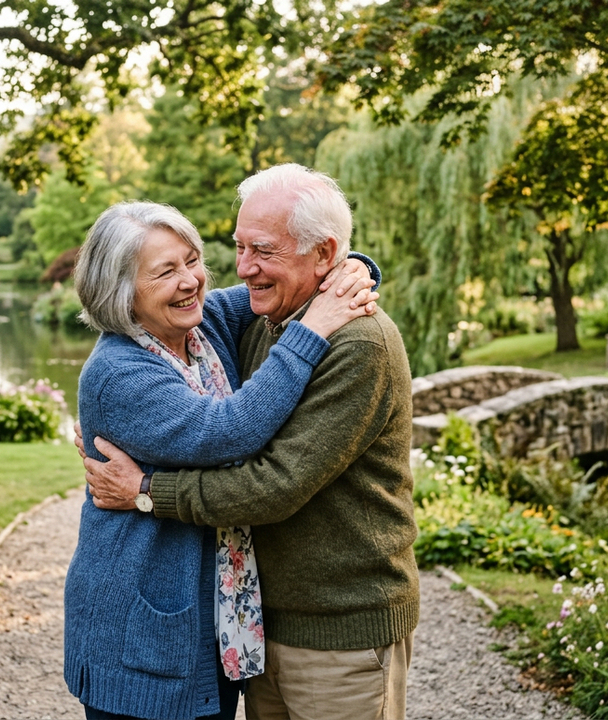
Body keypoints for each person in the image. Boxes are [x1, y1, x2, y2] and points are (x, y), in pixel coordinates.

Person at [82, 165, 421, 720]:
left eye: (192, 261)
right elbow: (229, 428)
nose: (238, 271)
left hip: (338, 627)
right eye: (237, 248)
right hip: (213, 633)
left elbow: (273, 485)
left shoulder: (348, 342)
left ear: (322, 254)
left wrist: (354, 266)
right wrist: (322, 291)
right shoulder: (137, 366)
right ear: (122, 291)